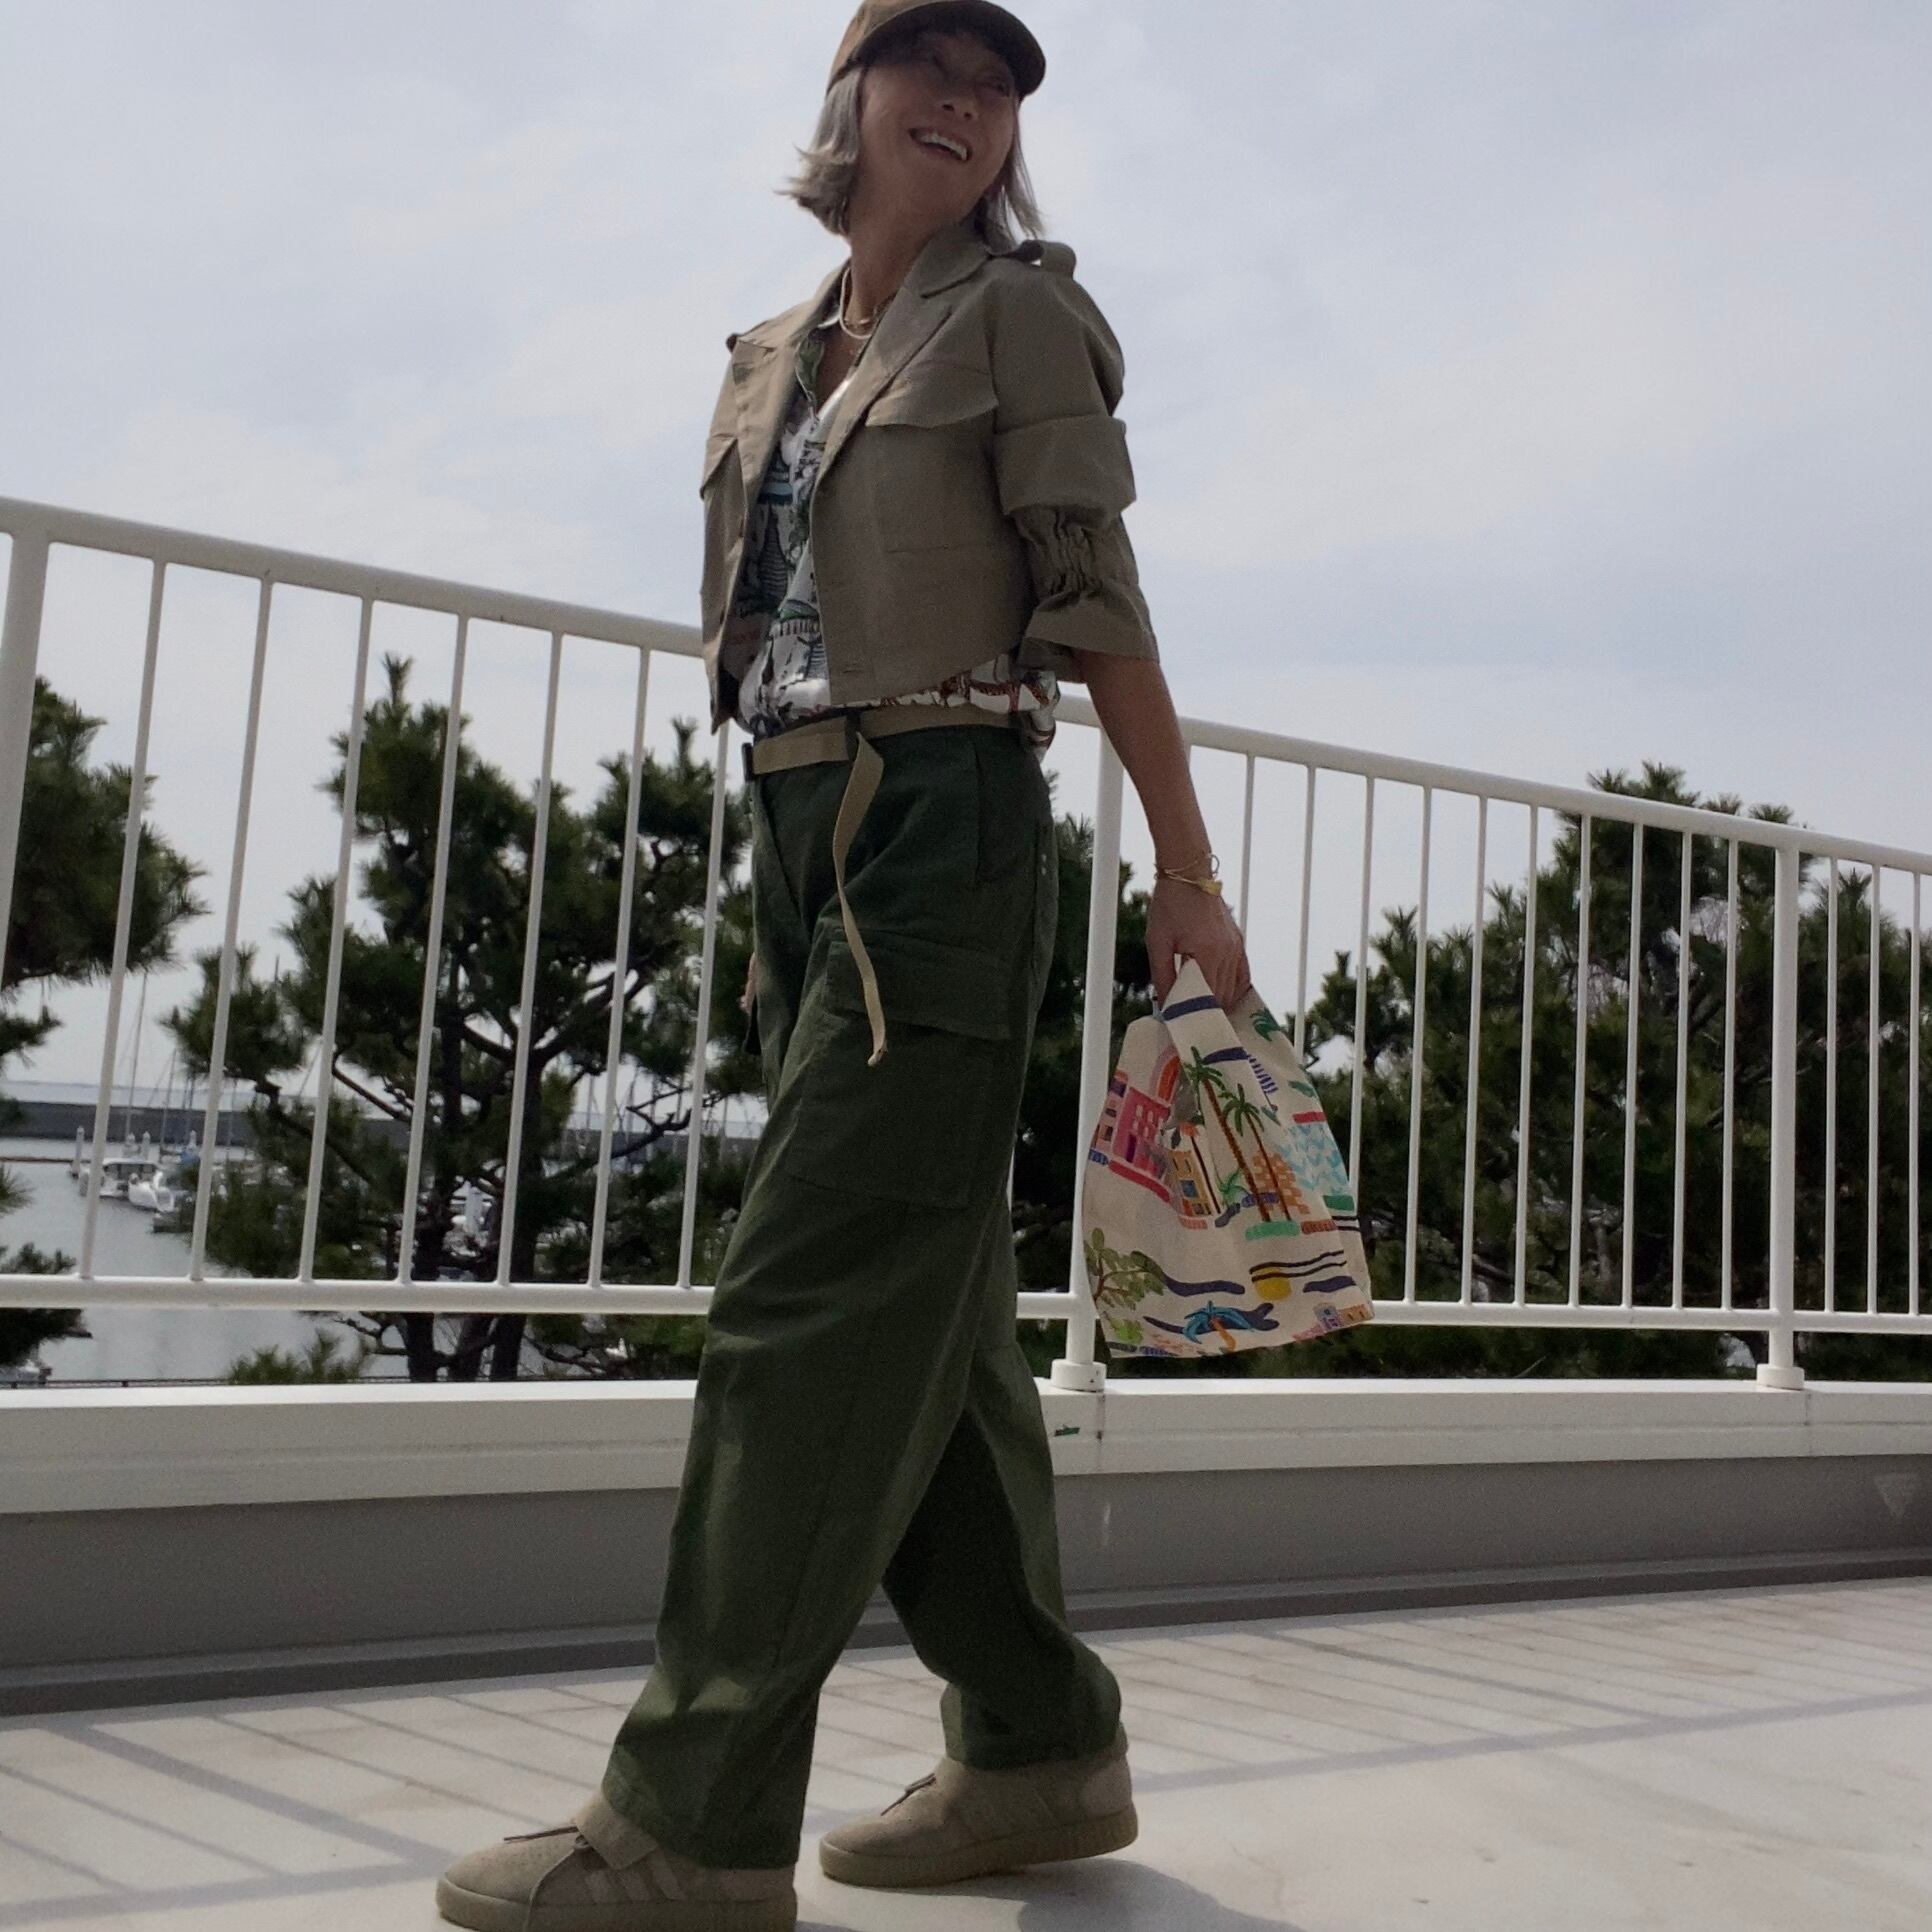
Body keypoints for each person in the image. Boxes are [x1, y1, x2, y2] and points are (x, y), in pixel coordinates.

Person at [437, 4, 1251, 1927]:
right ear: (853, 97)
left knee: (801, 1312)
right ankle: (1039, 1751)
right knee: (931, 1331)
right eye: (927, 66)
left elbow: (1098, 595)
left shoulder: (1020, 317)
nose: (964, 100)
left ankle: (690, 1822)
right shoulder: (767, 353)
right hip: (803, 837)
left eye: (998, 84)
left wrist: (1188, 870)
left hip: (945, 824)